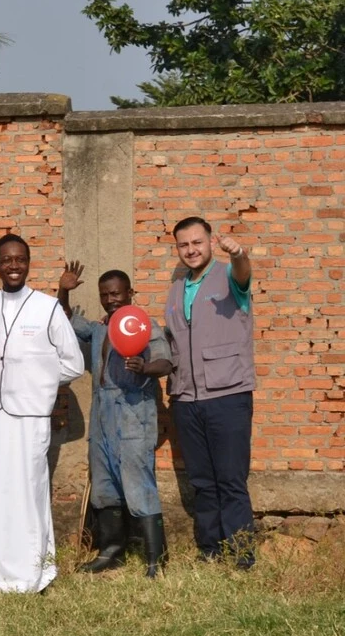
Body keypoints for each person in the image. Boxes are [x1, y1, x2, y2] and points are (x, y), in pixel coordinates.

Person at [0, 234, 84, 593]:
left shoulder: (46, 308)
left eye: (20, 259)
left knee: (27, 491)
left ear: (28, 264)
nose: (13, 266)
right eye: (6, 260)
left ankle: (32, 574)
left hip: (28, 416)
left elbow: (73, 364)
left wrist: (38, 385)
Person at [58, 263, 173, 577]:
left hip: (134, 415)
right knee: (104, 486)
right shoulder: (99, 329)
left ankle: (155, 559)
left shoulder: (145, 325)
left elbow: (165, 362)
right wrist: (64, 290)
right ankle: (111, 552)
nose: (111, 300)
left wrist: (144, 367)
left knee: (138, 484)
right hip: (102, 417)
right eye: (105, 295)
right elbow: (65, 321)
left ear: (130, 293)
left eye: (117, 293)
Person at [164, 217, 256, 567]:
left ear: (210, 241)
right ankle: (211, 549)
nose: (191, 250)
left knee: (231, 478)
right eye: (184, 245)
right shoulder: (177, 288)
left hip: (228, 393)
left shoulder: (229, 275)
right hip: (187, 397)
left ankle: (242, 554)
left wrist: (239, 254)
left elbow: (244, 272)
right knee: (202, 480)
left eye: (197, 242)